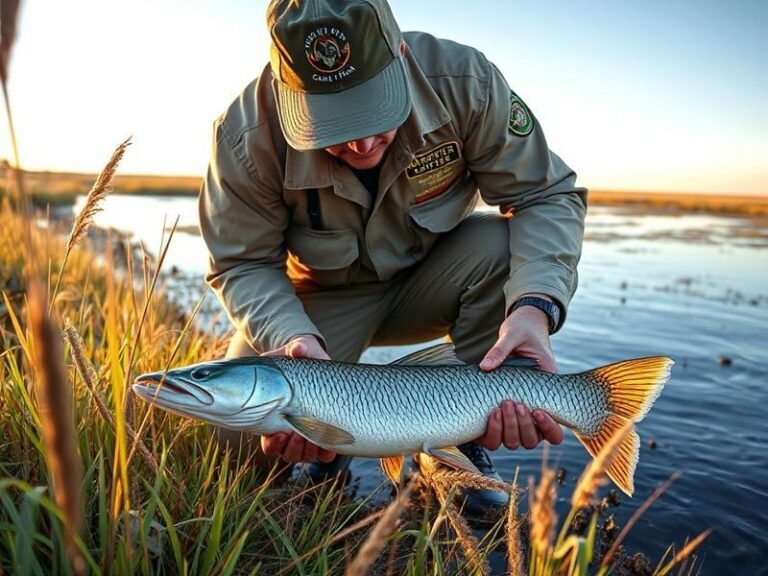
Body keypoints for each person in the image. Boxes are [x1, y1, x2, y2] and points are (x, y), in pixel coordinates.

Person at [199, 0, 586, 522]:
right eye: (331, 124)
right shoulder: (245, 135)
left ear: (400, 54)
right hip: (317, 311)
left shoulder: (465, 81)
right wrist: (290, 338)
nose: (361, 142)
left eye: (373, 111)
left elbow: (545, 196)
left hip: (437, 278)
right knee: (236, 435)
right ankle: (331, 451)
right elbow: (242, 263)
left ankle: (457, 441)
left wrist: (535, 309)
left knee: (500, 246)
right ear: (288, 91)